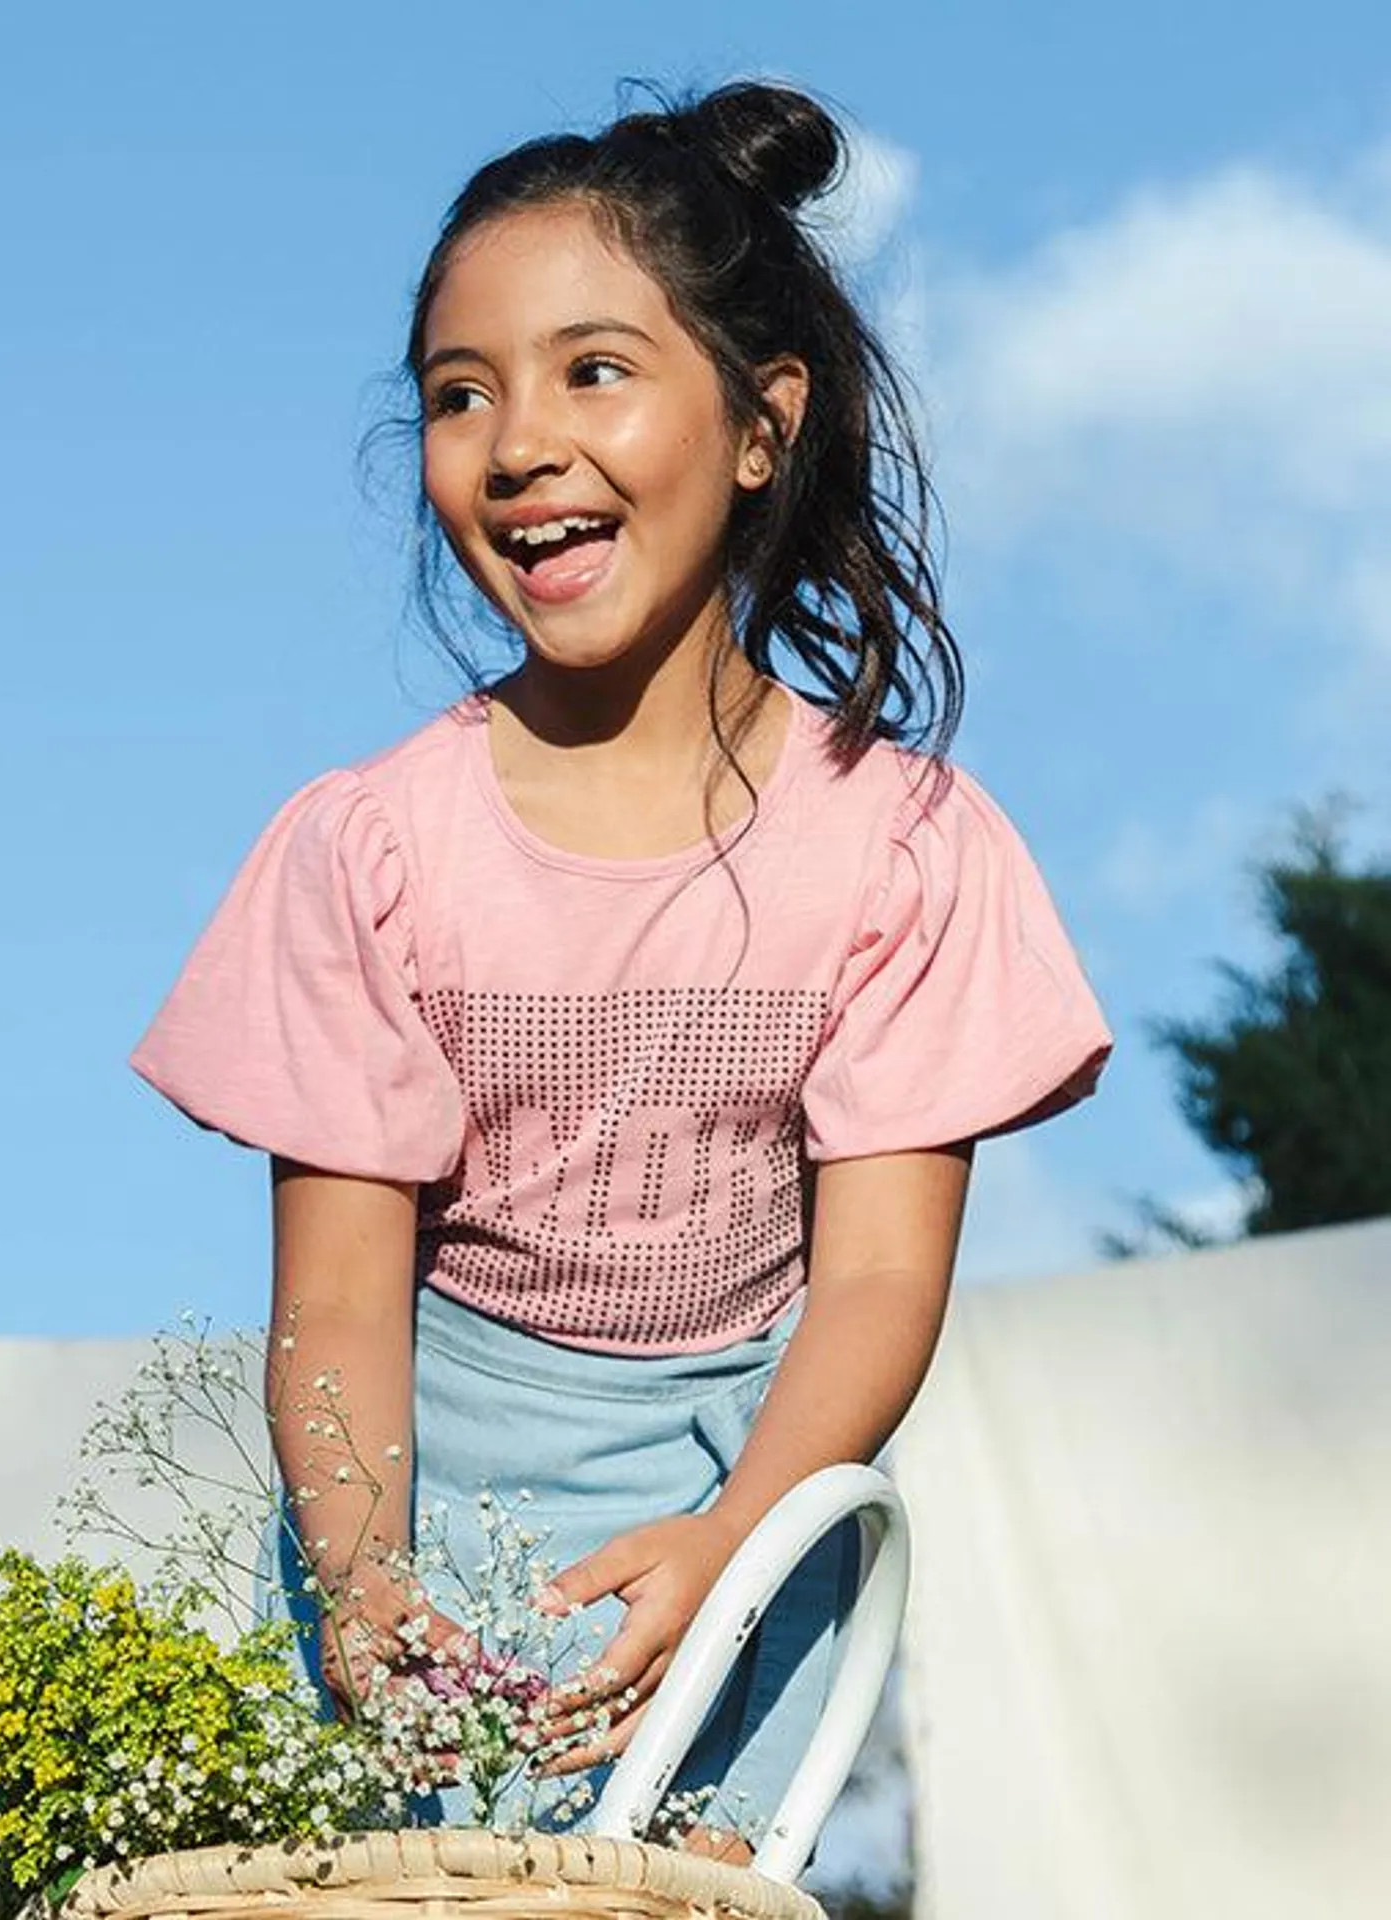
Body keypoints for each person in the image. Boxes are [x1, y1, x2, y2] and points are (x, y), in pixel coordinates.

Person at [131, 79, 1110, 1860]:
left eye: (594, 370)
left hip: (756, 1472)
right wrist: (362, 1581)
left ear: (761, 428)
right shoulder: (370, 851)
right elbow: (343, 1302)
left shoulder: (901, 848)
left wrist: (736, 1539)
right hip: (436, 1486)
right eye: (459, 393)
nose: (517, 442)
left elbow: (879, 1277)